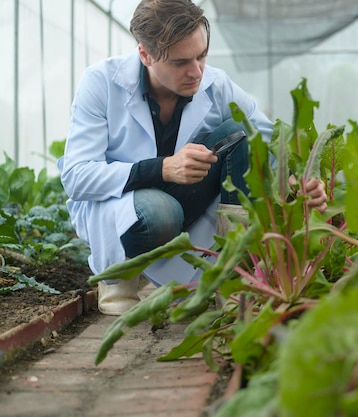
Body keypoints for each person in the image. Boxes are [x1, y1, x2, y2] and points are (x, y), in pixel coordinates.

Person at [57, 0, 327, 316]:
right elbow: (77, 176)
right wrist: (163, 168)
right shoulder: (101, 83)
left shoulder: (215, 84)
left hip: (188, 201)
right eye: (180, 62)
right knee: (161, 212)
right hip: (129, 208)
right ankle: (121, 278)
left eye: (201, 56)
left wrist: (297, 180)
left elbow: (268, 139)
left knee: (240, 130)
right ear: (145, 54)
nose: (196, 71)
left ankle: (230, 275)